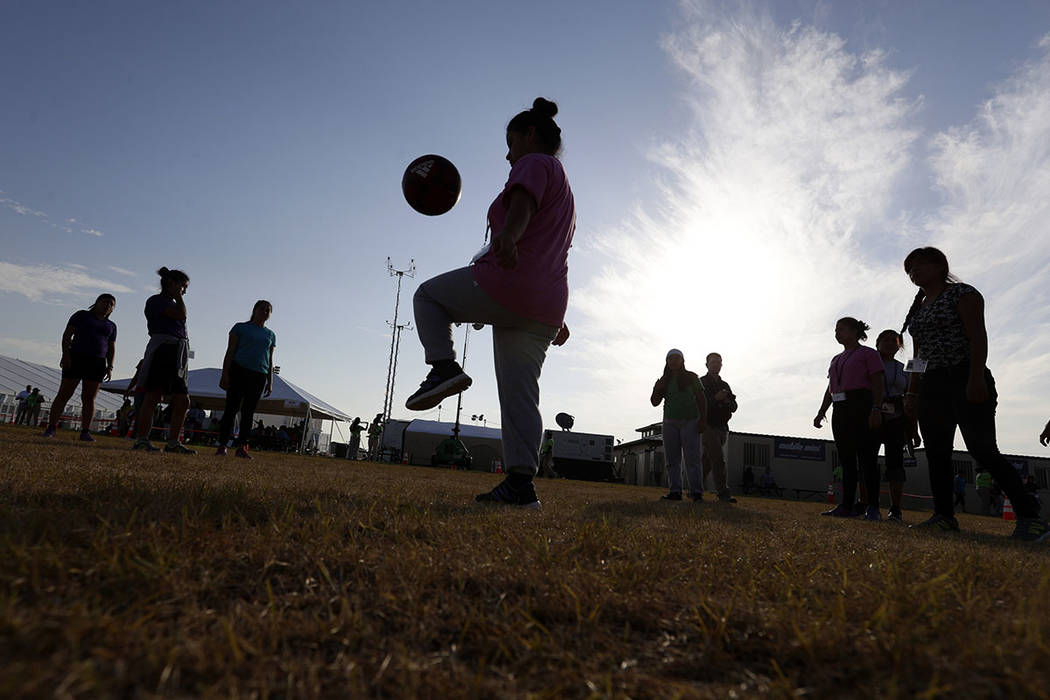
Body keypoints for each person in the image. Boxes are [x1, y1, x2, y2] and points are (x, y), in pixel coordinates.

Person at [404, 97, 574, 509]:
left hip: (509, 284)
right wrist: (557, 316)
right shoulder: (565, 187)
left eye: (510, 141)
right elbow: (552, 249)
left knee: (427, 296)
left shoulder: (535, 163)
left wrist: (510, 237)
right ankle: (520, 485)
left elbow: (522, 206)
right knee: (520, 396)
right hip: (545, 304)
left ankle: (443, 367)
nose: (507, 152)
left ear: (529, 134)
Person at [900, 247, 1048, 540]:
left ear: (940, 265)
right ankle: (944, 516)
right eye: (909, 270)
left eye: (919, 265)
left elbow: (977, 336)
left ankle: (1031, 518)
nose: (914, 272)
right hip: (932, 385)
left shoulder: (963, 294)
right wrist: (912, 393)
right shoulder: (918, 307)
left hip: (965, 375)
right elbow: (919, 354)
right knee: (937, 453)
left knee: (982, 450)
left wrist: (976, 377)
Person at [813, 317, 885, 520]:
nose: (837, 333)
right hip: (840, 408)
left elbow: (877, 381)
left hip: (861, 404)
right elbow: (831, 388)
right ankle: (846, 505)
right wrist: (821, 411)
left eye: (841, 329)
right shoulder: (835, 359)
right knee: (846, 459)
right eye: (836, 330)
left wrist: (876, 408)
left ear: (854, 331)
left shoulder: (868, 354)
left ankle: (873, 507)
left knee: (867, 458)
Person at [133, 267, 196, 454]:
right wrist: (179, 296)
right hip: (163, 348)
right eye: (182, 287)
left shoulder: (170, 302)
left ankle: (173, 442)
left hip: (178, 350)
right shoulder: (156, 301)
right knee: (153, 395)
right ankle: (142, 439)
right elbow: (181, 315)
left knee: (183, 399)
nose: (184, 291)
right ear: (172, 284)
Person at [41, 295, 119, 440]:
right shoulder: (81, 316)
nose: (108, 306)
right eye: (105, 302)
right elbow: (66, 336)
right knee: (64, 394)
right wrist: (66, 355)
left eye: (111, 304)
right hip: (76, 357)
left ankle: (85, 431)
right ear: (97, 302)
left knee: (89, 398)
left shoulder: (111, 326)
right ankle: (51, 427)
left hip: (97, 362)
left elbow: (111, 347)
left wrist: (110, 366)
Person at [216, 300, 276, 459]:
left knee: (248, 412)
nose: (264, 312)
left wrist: (270, 381)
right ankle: (222, 444)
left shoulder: (270, 335)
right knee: (231, 409)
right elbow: (230, 351)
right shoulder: (240, 328)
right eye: (261, 309)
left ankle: (242, 446)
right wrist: (225, 373)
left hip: (259, 374)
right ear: (255, 310)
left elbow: (270, 359)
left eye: (267, 310)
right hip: (239, 370)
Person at [871, 329, 920, 524]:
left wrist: (914, 429)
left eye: (895, 340)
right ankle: (869, 505)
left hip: (897, 419)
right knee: (868, 460)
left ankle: (895, 509)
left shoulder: (905, 369)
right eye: (886, 339)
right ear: (878, 342)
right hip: (873, 415)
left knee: (896, 464)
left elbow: (911, 401)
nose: (891, 343)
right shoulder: (869, 364)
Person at [651, 349, 708, 502]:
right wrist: (657, 388)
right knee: (672, 459)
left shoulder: (692, 377)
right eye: (670, 359)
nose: (674, 361)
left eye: (677, 358)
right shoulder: (665, 379)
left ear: (683, 361)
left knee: (692, 458)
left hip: (691, 421)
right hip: (670, 422)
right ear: (667, 362)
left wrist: (703, 420)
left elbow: (701, 399)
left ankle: (697, 493)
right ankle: (675, 491)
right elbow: (654, 402)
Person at [700, 352, 738, 503]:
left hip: (722, 427)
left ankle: (694, 489)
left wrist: (727, 401)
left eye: (719, 362)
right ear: (707, 364)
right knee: (718, 459)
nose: (716, 364)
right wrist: (715, 399)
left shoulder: (725, 385)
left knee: (707, 461)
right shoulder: (701, 382)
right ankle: (723, 493)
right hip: (707, 425)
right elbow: (699, 404)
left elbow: (734, 406)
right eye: (713, 361)